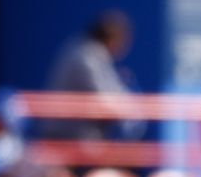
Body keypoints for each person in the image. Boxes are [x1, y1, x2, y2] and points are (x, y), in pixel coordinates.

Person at [43, 11, 141, 144]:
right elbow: (105, 100)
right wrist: (128, 111)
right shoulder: (86, 58)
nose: (124, 46)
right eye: (123, 40)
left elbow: (116, 94)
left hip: (83, 137)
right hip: (67, 138)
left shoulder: (94, 55)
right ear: (113, 38)